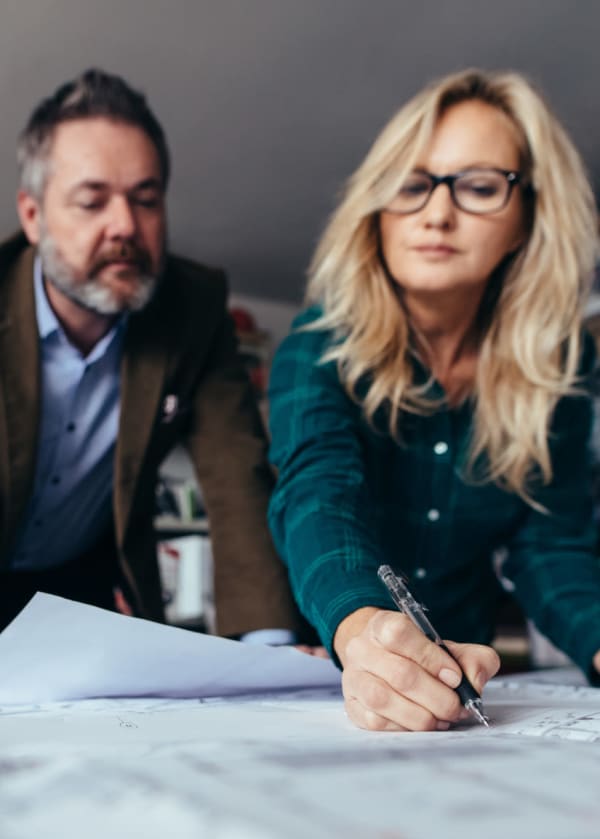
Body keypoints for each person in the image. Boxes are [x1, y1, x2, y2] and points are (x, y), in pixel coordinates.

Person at [268, 68, 600, 731]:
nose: (436, 213)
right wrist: (364, 630)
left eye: (478, 186)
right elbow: (318, 495)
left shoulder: (561, 365)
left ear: (529, 215)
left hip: (470, 686)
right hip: (336, 673)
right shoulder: (317, 343)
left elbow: (550, 544)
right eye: (412, 184)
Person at [0, 67, 302, 642]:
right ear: (33, 216)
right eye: (92, 202)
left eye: (146, 199)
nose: (125, 227)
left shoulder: (193, 308)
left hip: (77, 593)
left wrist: (269, 652)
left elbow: (237, 475)